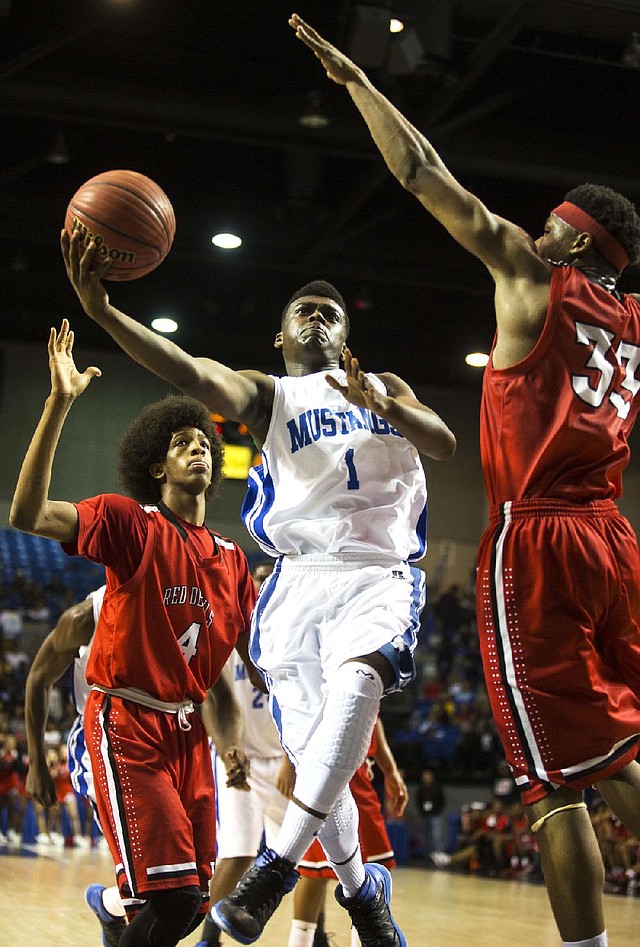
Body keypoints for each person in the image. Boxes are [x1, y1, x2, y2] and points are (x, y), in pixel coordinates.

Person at [289, 13, 640, 947]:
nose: (533, 231)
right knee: (620, 753)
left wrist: (359, 83)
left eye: (550, 226)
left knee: (552, 785)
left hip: (542, 538)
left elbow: (422, 175)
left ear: (567, 244)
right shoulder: (634, 317)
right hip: (616, 538)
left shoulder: (535, 278)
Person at [60, 200, 456, 946]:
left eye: (329, 313)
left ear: (347, 335)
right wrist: (105, 310)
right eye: (302, 311)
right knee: (316, 759)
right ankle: (363, 891)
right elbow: (187, 368)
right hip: (297, 579)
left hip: (376, 570)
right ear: (280, 336)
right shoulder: (269, 395)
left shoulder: (387, 388)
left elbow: (445, 443)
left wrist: (384, 404)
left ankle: (275, 866)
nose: (316, 318)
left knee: (359, 681)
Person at [10, 322, 256, 947]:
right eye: (182, 441)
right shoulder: (132, 525)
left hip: (188, 734)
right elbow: (29, 515)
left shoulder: (232, 560)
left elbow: (244, 670)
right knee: (173, 902)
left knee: (190, 904)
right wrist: (58, 402)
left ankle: (114, 922)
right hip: (127, 721)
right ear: (157, 465)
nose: (199, 447)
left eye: (204, 440)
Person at [195, 558, 293, 947]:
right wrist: (225, 749)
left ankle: (312, 933)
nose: (263, 585)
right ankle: (210, 939)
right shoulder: (229, 635)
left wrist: (291, 758)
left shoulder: (291, 635)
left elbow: (306, 704)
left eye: (271, 580)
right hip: (242, 763)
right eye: (258, 580)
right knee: (236, 853)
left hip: (285, 762)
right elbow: (209, 697)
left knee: (306, 858)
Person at [290, 716, 408, 947]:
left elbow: (375, 714)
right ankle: (303, 940)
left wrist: (390, 770)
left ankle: (354, 939)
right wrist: (287, 763)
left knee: (371, 875)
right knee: (313, 873)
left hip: (360, 772)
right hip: (324, 766)